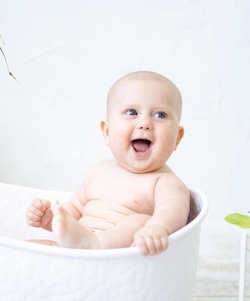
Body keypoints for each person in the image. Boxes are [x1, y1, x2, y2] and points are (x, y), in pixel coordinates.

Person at [26, 71, 190, 256]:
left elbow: (174, 212)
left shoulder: (165, 182)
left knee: (141, 220)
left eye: (160, 115)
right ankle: (71, 247)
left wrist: (157, 227)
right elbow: (76, 208)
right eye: (132, 112)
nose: (145, 123)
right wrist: (52, 218)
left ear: (177, 137)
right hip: (76, 246)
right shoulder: (99, 171)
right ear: (107, 131)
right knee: (28, 247)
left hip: (117, 259)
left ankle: (94, 244)